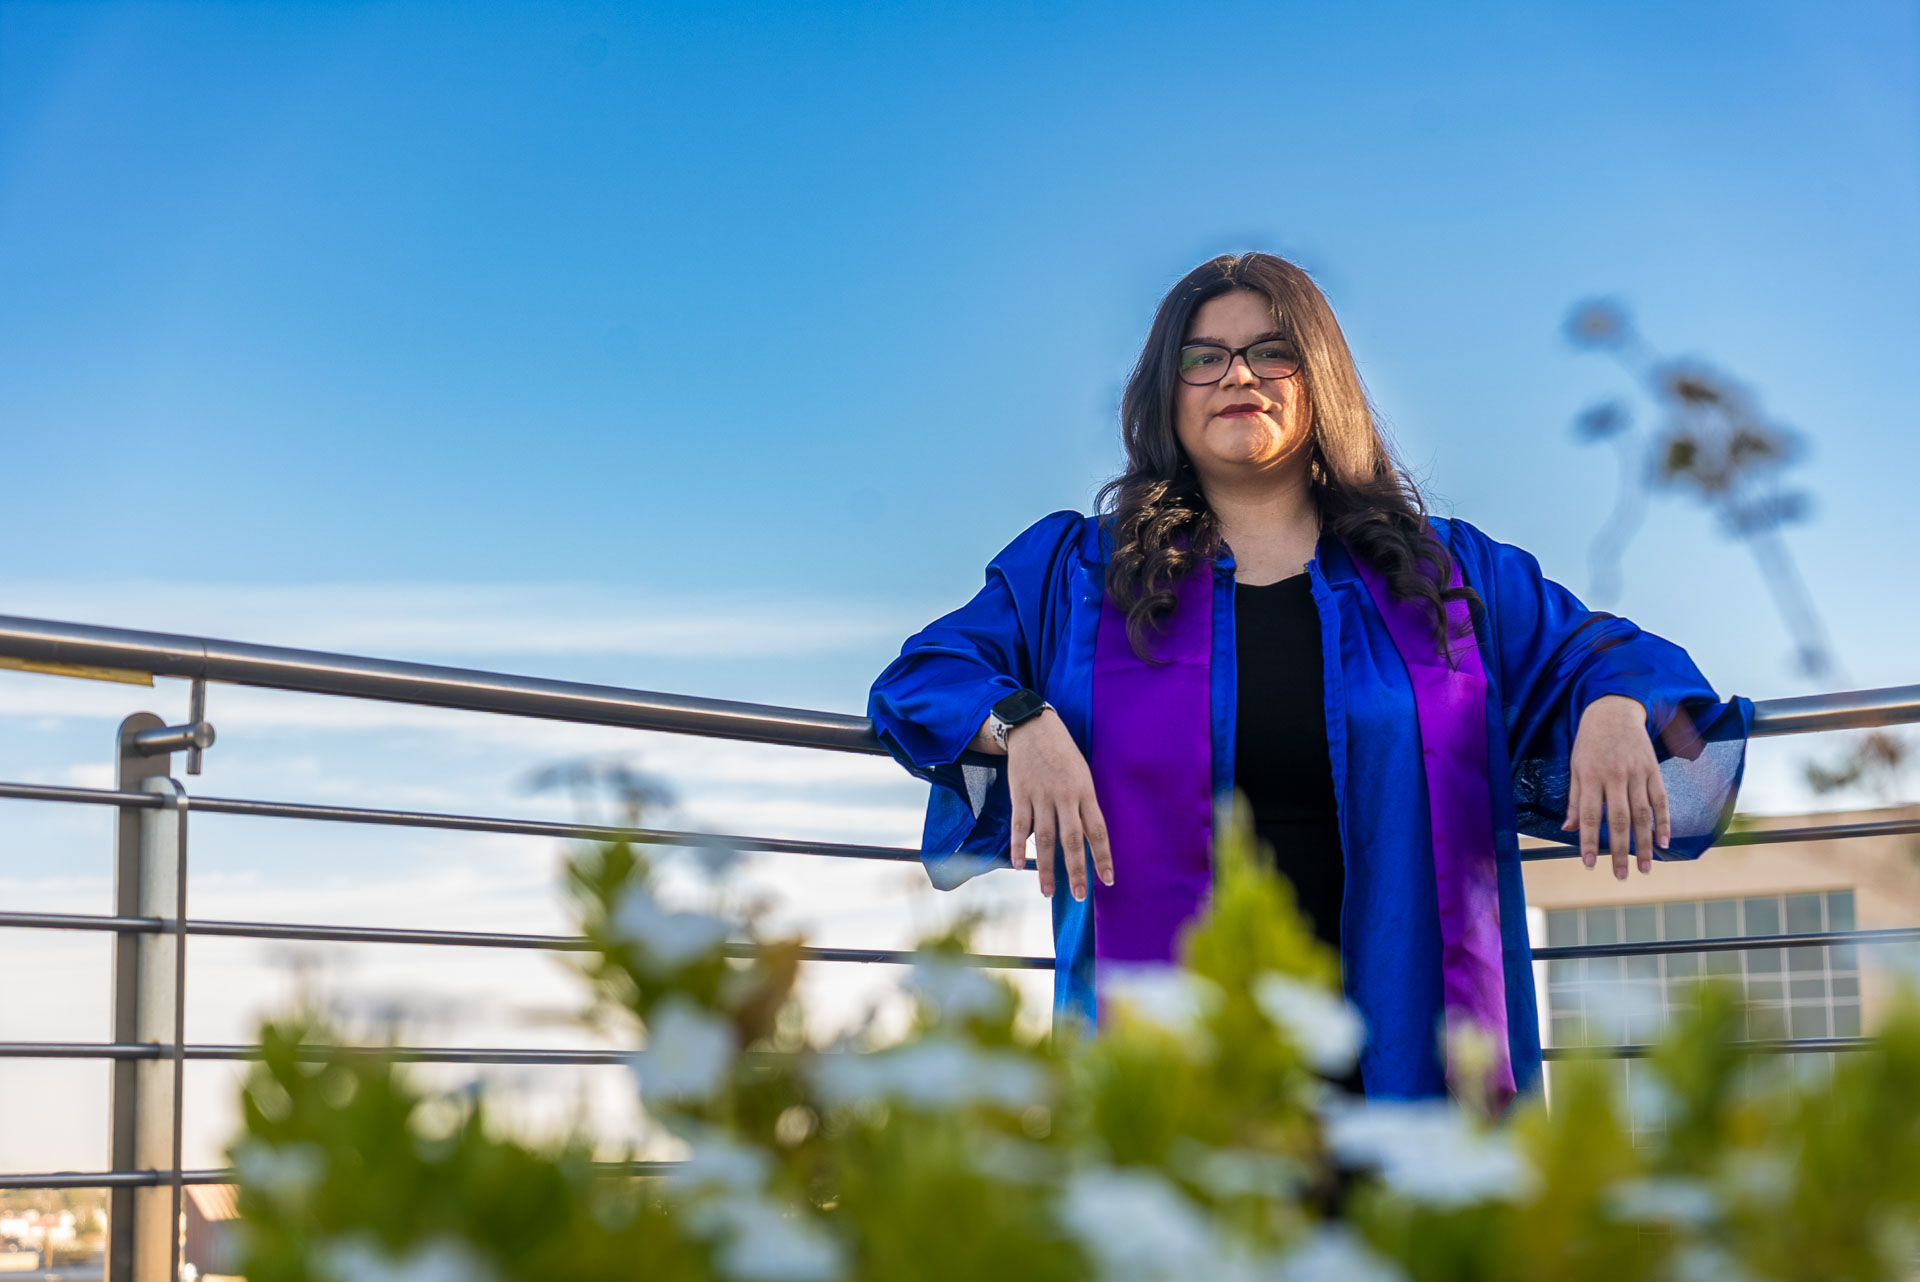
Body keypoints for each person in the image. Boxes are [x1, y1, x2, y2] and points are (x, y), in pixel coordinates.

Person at [867, 252, 1749, 1103]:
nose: (1235, 376)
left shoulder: (1446, 573)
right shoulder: (1077, 573)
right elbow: (926, 674)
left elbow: (1617, 653)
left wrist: (1609, 706)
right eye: (1201, 357)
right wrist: (1024, 723)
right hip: (1166, 1020)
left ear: (1318, 376)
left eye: (1270, 351)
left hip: (1412, 1026)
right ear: (1164, 392)